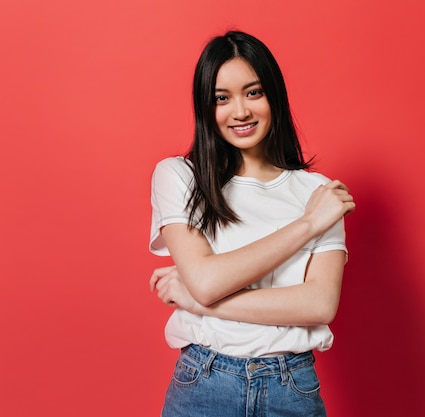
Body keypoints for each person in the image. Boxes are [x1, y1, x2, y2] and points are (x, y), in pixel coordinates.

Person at [149, 31, 355, 417]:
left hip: (290, 386)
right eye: (221, 98)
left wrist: (198, 302)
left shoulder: (319, 191)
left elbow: (319, 304)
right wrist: (308, 225)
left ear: (273, 95)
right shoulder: (179, 176)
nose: (239, 111)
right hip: (204, 384)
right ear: (205, 107)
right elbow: (207, 281)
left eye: (253, 92)